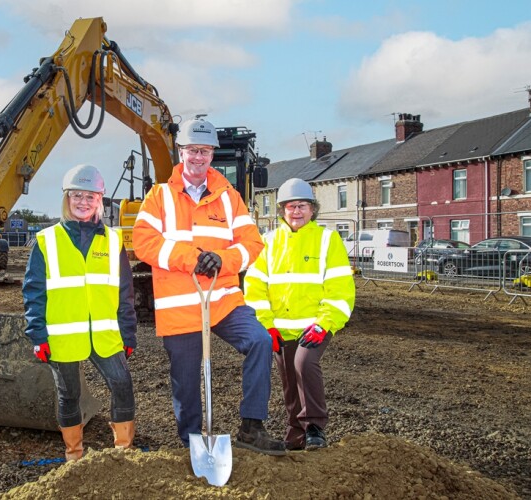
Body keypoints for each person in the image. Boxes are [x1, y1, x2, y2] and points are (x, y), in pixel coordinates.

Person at [132, 117, 286, 455]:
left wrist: (223, 259)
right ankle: (191, 442)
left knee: (260, 341)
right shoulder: (159, 196)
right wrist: (192, 258)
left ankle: (251, 426)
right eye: (192, 150)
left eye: (204, 151)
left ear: (212, 154)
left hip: (223, 301)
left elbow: (253, 245)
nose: (198, 157)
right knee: (186, 382)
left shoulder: (230, 198)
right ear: (181, 152)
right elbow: (142, 242)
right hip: (180, 305)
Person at [22, 164, 138, 462]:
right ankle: (74, 455)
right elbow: (34, 292)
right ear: (67, 198)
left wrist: (128, 332)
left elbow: (125, 292)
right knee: (69, 395)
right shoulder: (47, 241)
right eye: (77, 196)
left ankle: (123, 452)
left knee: (122, 385)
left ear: (100, 199)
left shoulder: (113, 241)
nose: (83, 202)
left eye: (90, 196)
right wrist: (38, 335)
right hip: (63, 336)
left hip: (105, 334)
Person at [244, 178, 356, 450]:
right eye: (291, 206)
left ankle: (315, 427)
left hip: (315, 326)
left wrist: (324, 323)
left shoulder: (327, 240)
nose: (297, 212)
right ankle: (295, 434)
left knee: (304, 365)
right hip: (280, 328)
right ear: (282, 210)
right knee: (289, 381)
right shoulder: (268, 243)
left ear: (312, 209)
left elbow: (340, 287)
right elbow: (255, 287)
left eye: (302, 206)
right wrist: (265, 325)